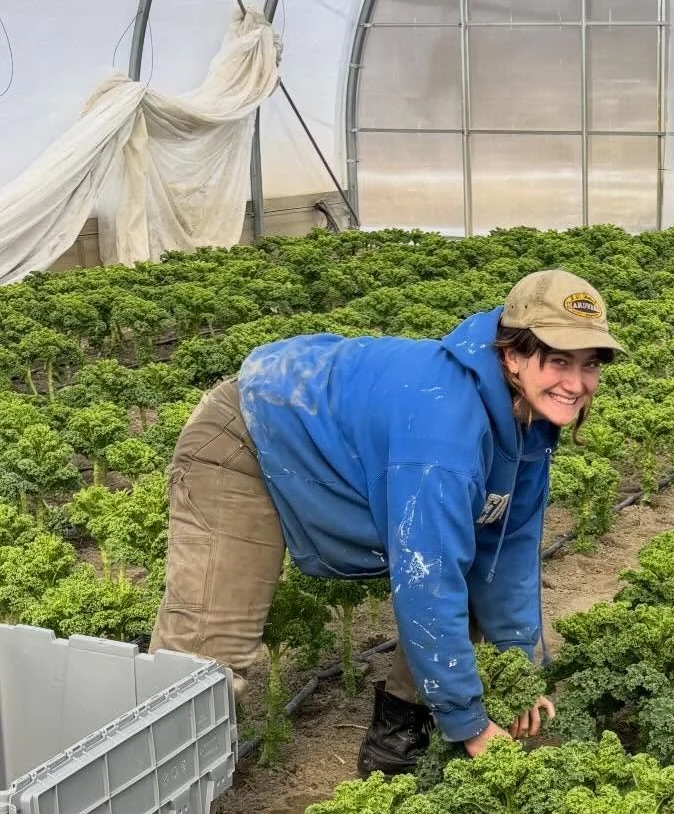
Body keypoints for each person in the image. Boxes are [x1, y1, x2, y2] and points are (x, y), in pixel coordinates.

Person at [149, 269, 623, 775]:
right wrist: (471, 724)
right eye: (557, 361)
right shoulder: (446, 435)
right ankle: (154, 793)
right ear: (512, 354)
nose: (575, 384)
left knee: (470, 578)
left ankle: (396, 738)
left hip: (332, 441)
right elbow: (427, 579)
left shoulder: (528, 421)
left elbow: (506, 552)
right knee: (208, 649)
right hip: (250, 436)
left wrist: (516, 672)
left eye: (589, 365)